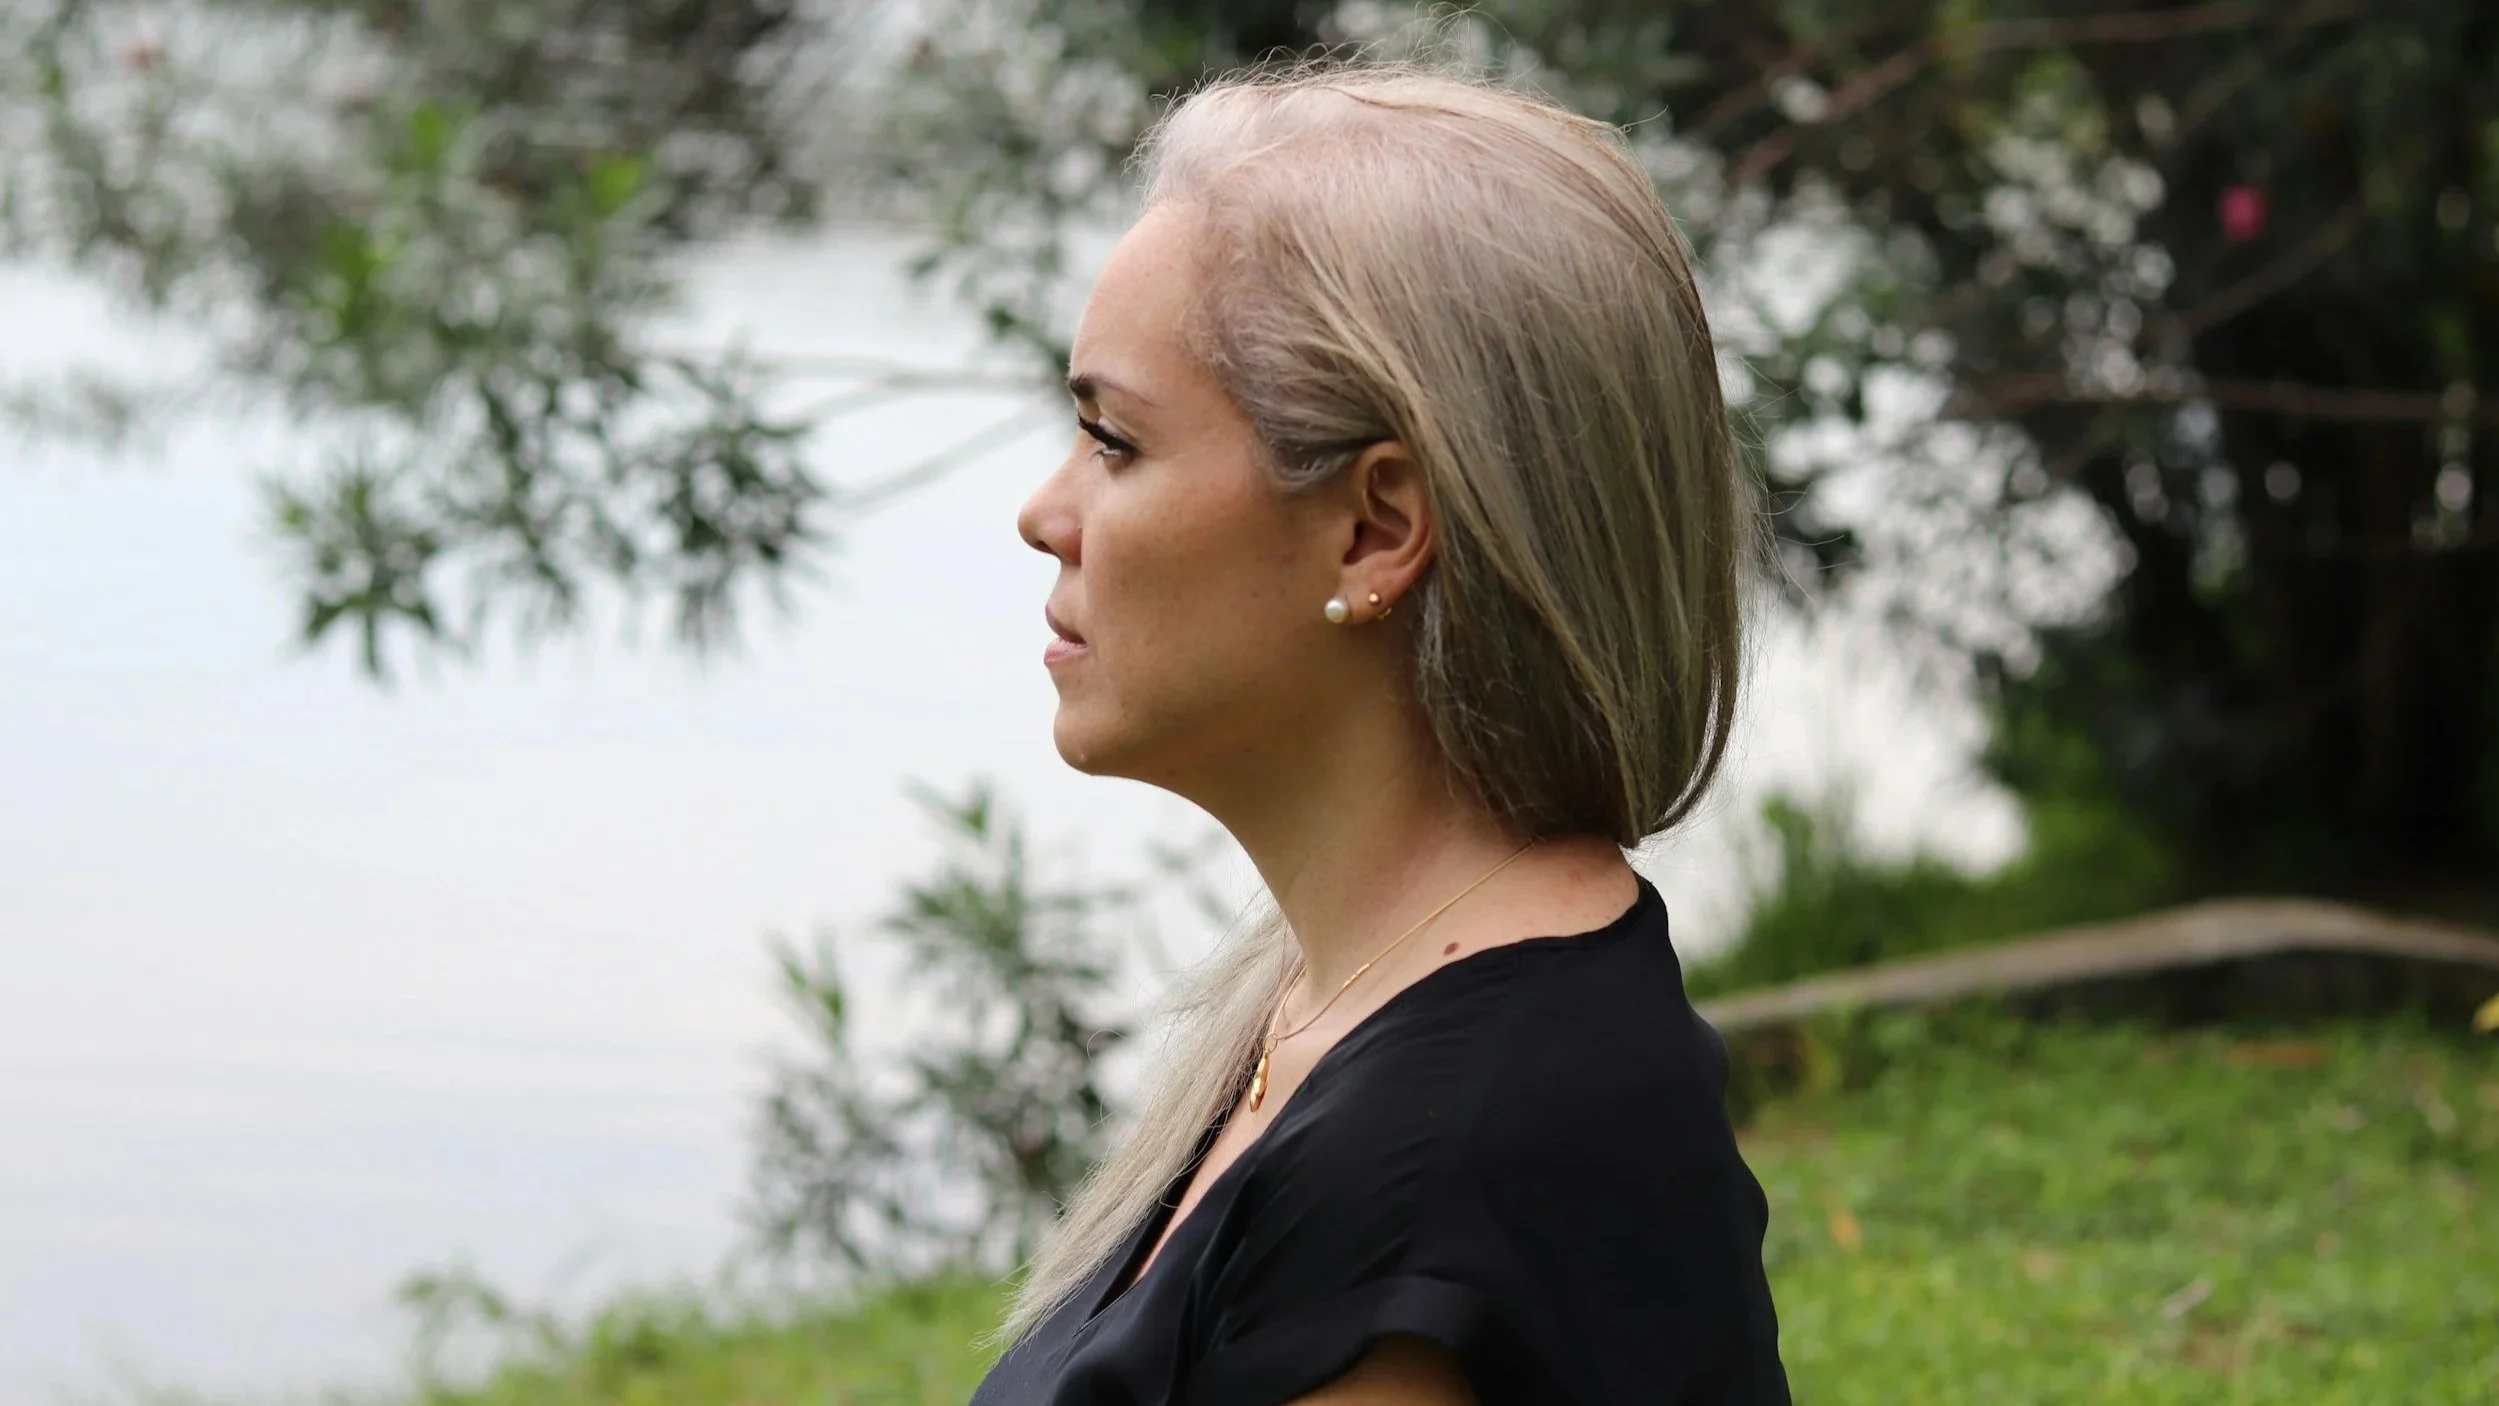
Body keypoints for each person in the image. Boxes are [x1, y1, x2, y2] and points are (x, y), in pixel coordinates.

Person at [979, 58, 1789, 1406]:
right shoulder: (1360, 1023)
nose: (1044, 511)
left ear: (1374, 528)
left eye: (1112, 441)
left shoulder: (1426, 1178)